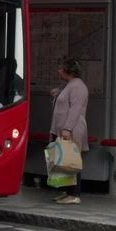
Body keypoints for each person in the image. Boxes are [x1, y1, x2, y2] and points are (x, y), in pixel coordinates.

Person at [48, 58, 89, 204]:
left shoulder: (77, 87)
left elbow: (75, 109)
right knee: (63, 160)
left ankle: (74, 194)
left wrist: (67, 128)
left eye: (61, 68)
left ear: (68, 71)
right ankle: (67, 192)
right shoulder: (69, 86)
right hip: (61, 129)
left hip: (71, 129)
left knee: (71, 160)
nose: (58, 71)